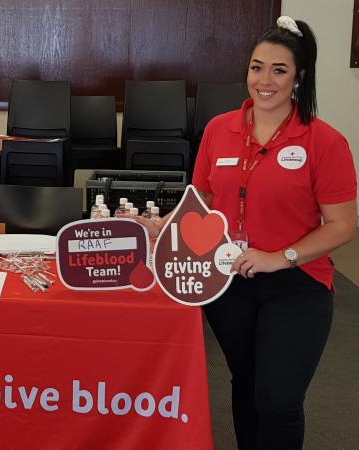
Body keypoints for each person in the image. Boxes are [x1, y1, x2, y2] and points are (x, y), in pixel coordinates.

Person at [140, 16, 356, 450]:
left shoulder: (324, 141)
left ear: (299, 77)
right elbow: (198, 201)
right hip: (228, 280)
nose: (264, 80)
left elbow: (343, 225)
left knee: (277, 399)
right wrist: (162, 227)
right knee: (246, 385)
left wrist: (281, 256)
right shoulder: (220, 130)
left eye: (279, 69)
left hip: (297, 283)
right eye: (257, 67)